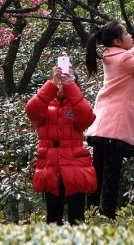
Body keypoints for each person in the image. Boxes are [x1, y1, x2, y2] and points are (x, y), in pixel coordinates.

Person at [84, 19, 134, 219]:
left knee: (98, 178)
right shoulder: (123, 60)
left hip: (103, 125)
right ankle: (106, 220)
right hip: (116, 128)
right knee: (110, 180)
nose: (131, 35)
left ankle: (90, 218)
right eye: (127, 34)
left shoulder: (111, 55)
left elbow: (132, 54)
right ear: (118, 41)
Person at [26, 62, 97, 225]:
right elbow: (32, 111)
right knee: (53, 217)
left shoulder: (78, 103)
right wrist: (52, 83)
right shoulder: (46, 104)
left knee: (77, 218)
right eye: (60, 74)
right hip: (51, 167)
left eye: (68, 75)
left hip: (75, 167)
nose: (62, 79)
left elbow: (87, 119)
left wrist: (70, 87)